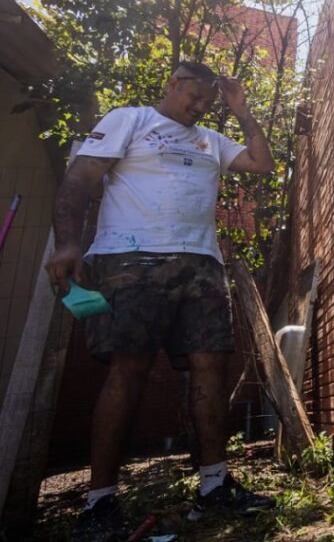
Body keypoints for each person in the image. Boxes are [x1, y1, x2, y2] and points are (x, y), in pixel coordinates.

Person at [45, 61, 276, 540]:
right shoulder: (128, 119)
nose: (198, 107)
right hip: (130, 259)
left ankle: (214, 486)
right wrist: (67, 243)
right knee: (128, 368)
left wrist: (242, 110)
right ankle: (99, 503)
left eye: (208, 103)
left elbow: (262, 163)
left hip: (201, 264)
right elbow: (80, 179)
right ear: (172, 84)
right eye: (194, 96)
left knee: (210, 365)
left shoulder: (211, 139)